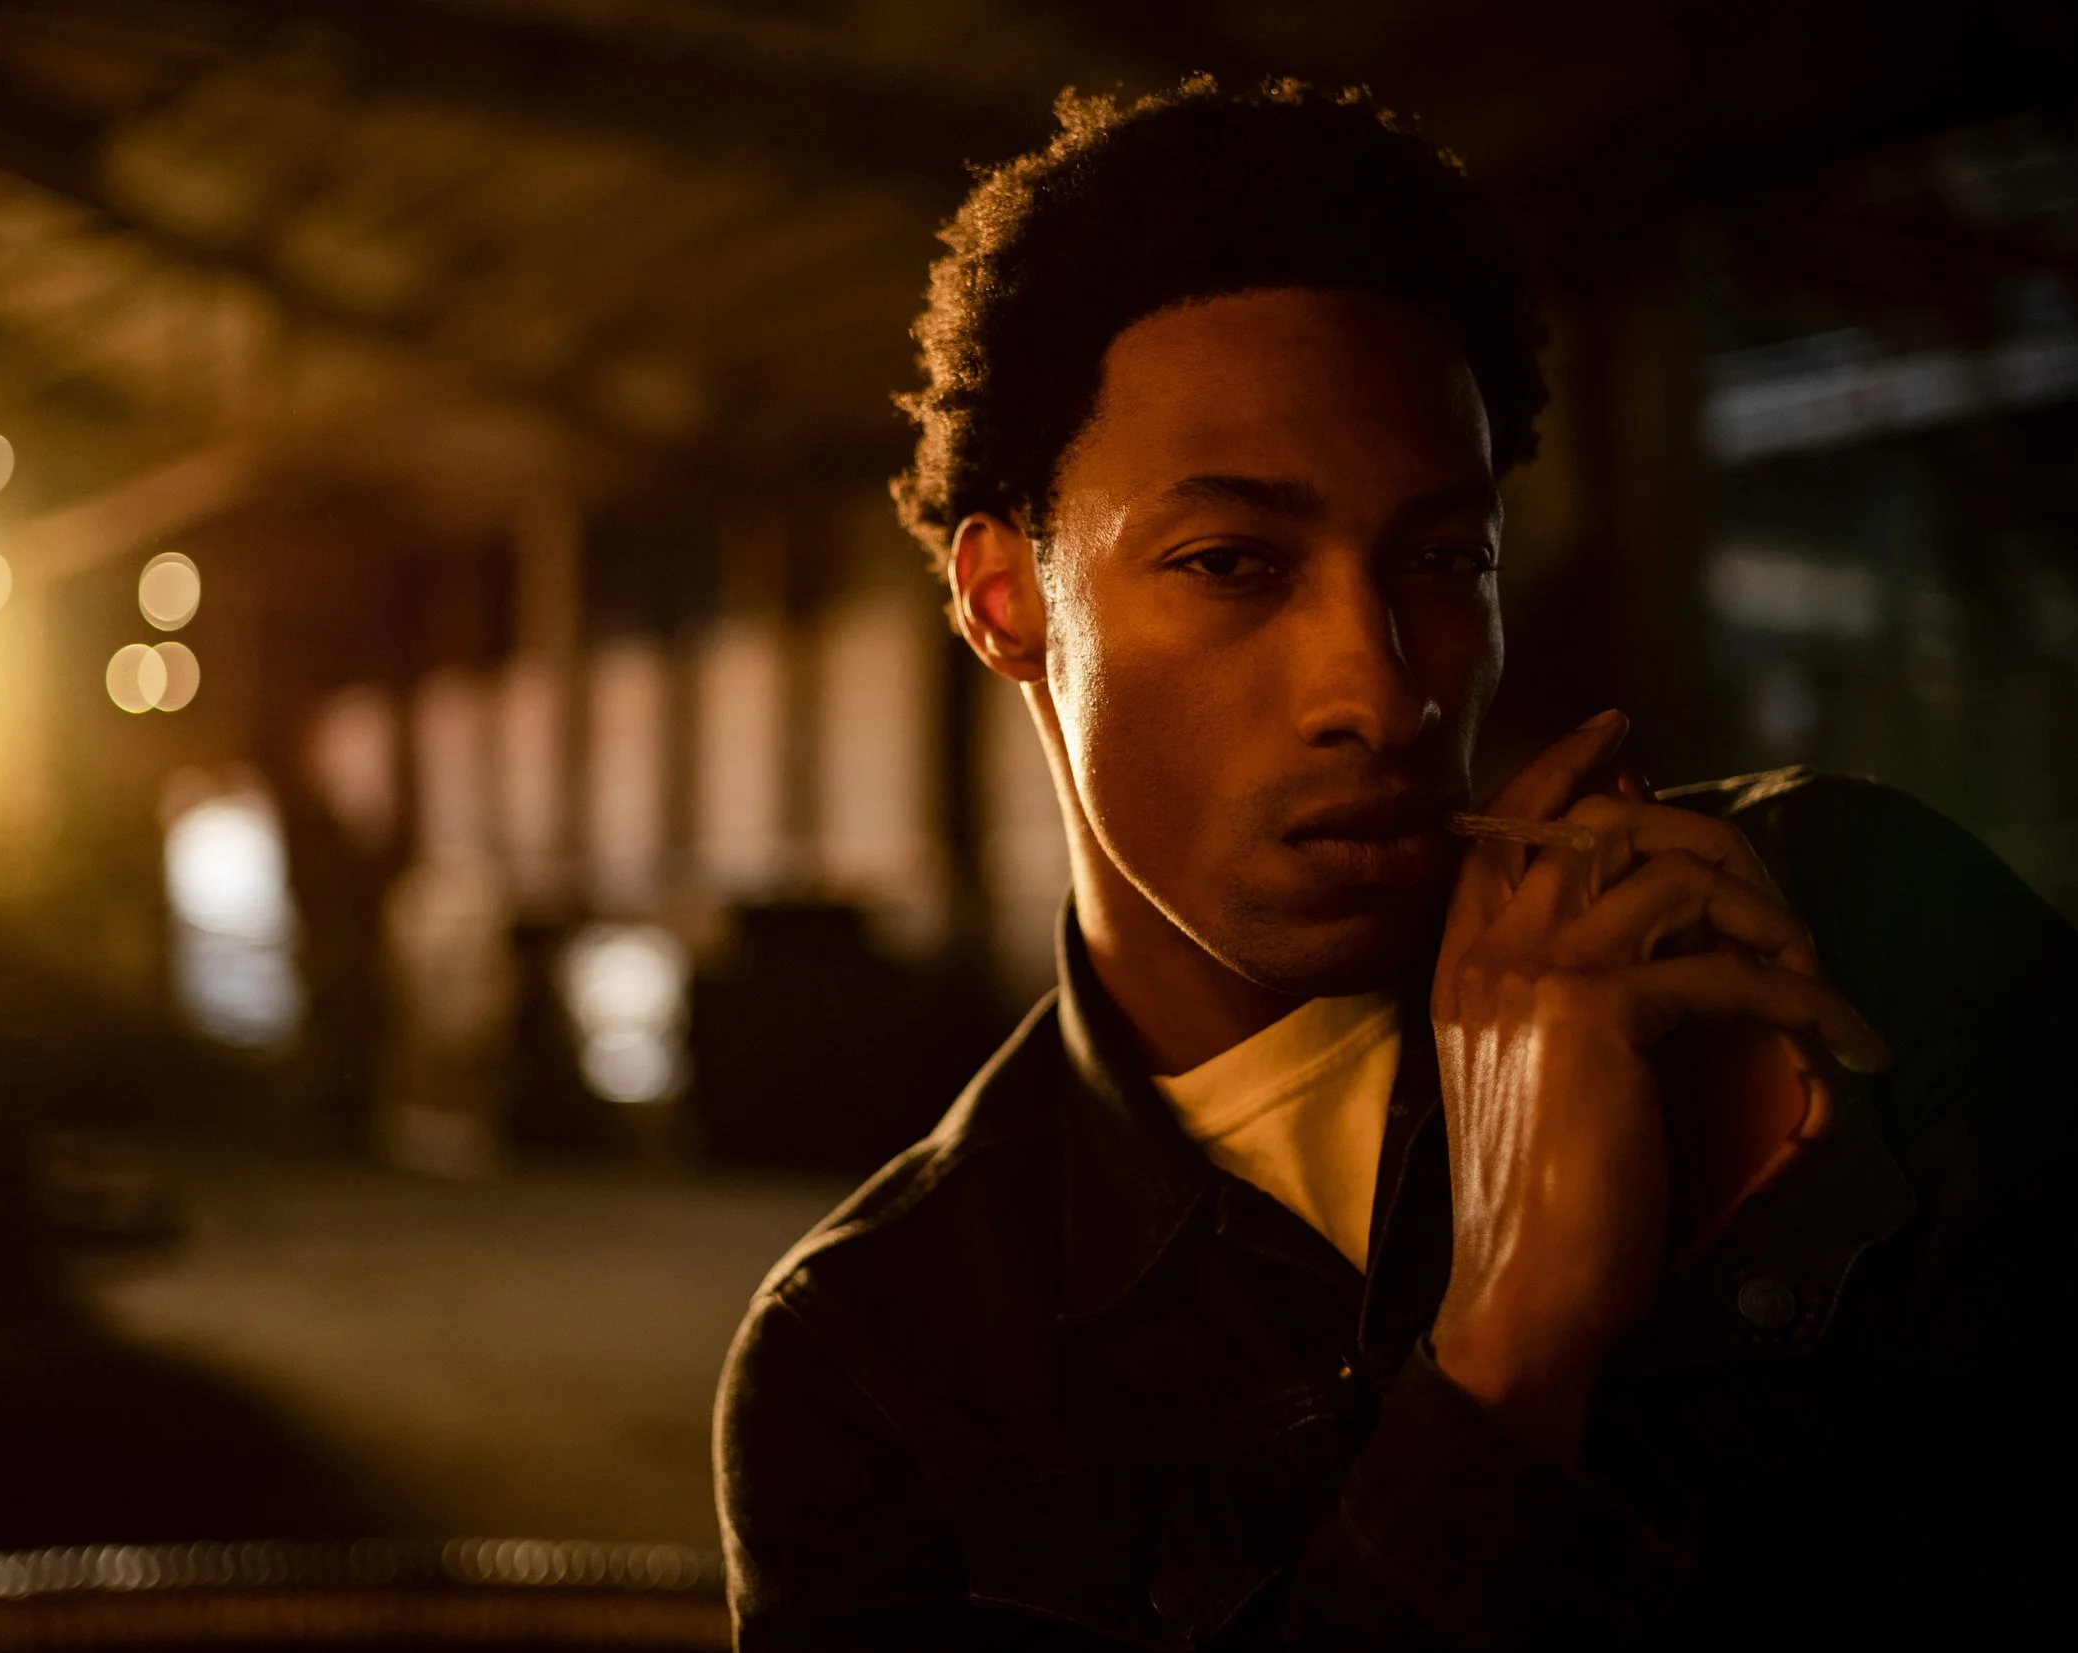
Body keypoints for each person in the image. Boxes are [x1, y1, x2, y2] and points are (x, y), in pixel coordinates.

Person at [713, 79, 2073, 1649]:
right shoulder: (875, 1361)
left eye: (1444, 561)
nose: (1383, 690)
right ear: (1007, 600)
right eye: (1232, 563)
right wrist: (1508, 1352)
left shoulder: (1827, 926)